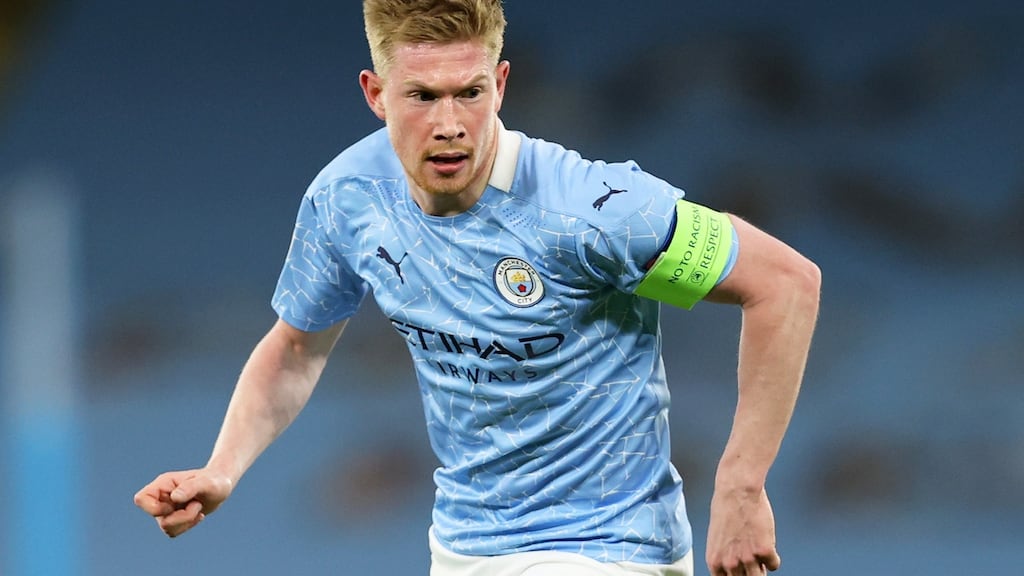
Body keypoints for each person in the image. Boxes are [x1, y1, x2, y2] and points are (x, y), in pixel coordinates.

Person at [134, 1, 821, 575]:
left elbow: (785, 284)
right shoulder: (349, 198)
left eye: (470, 92)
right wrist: (221, 469)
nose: (451, 123)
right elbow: (295, 349)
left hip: (609, 547)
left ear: (502, 84)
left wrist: (740, 485)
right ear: (375, 94)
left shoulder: (592, 210)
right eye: (422, 97)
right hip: (464, 547)